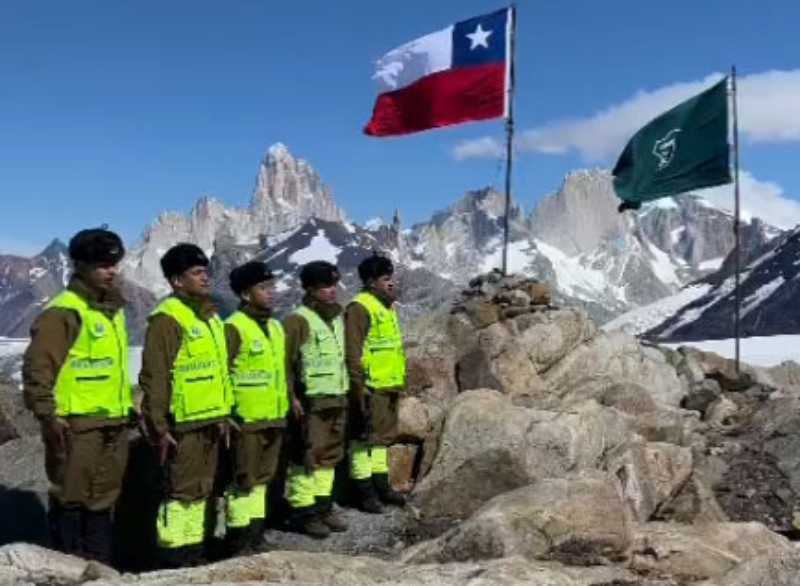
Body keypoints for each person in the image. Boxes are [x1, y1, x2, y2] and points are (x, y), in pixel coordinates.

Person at [22, 227, 132, 565]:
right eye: (102, 265)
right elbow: (38, 366)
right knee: (71, 497)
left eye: (114, 264)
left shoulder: (112, 310)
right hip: (75, 424)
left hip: (112, 420)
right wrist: (48, 415)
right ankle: (67, 566)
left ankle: (98, 566)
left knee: (102, 498)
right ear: (81, 266)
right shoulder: (64, 310)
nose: (111, 271)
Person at [139, 243, 232, 568]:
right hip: (182, 425)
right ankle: (173, 559)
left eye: (205, 271)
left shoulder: (210, 316)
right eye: (196, 272)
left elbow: (217, 372)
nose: (205, 277)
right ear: (177, 281)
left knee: (200, 492)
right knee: (179, 495)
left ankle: (195, 553)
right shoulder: (167, 319)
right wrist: (159, 427)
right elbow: (156, 376)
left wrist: (222, 414)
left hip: (209, 421)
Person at [223, 261, 288, 555]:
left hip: (273, 416)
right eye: (263, 288)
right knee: (243, 480)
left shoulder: (275, 326)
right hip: (246, 418)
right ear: (246, 295)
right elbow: (223, 372)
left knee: (262, 479)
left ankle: (256, 535)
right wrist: (228, 411)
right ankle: (238, 540)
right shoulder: (234, 327)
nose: (270, 292)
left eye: (270, 286)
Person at [282, 261, 349, 539]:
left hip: (336, 396)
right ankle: (303, 511)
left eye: (333, 285)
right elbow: (284, 363)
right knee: (306, 456)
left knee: (330, 454)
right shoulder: (297, 320)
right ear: (310, 289)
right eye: (324, 287)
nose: (331, 291)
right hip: (310, 400)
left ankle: (323, 506)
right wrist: (291, 396)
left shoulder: (336, 318)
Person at [346, 254, 407, 513]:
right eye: (385, 279)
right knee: (362, 440)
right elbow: (353, 351)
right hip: (370, 387)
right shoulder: (360, 307)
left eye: (391, 277)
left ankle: (382, 486)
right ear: (371, 282)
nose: (391, 283)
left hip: (389, 383)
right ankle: (364, 492)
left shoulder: (387, 306)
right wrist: (358, 387)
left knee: (381, 439)